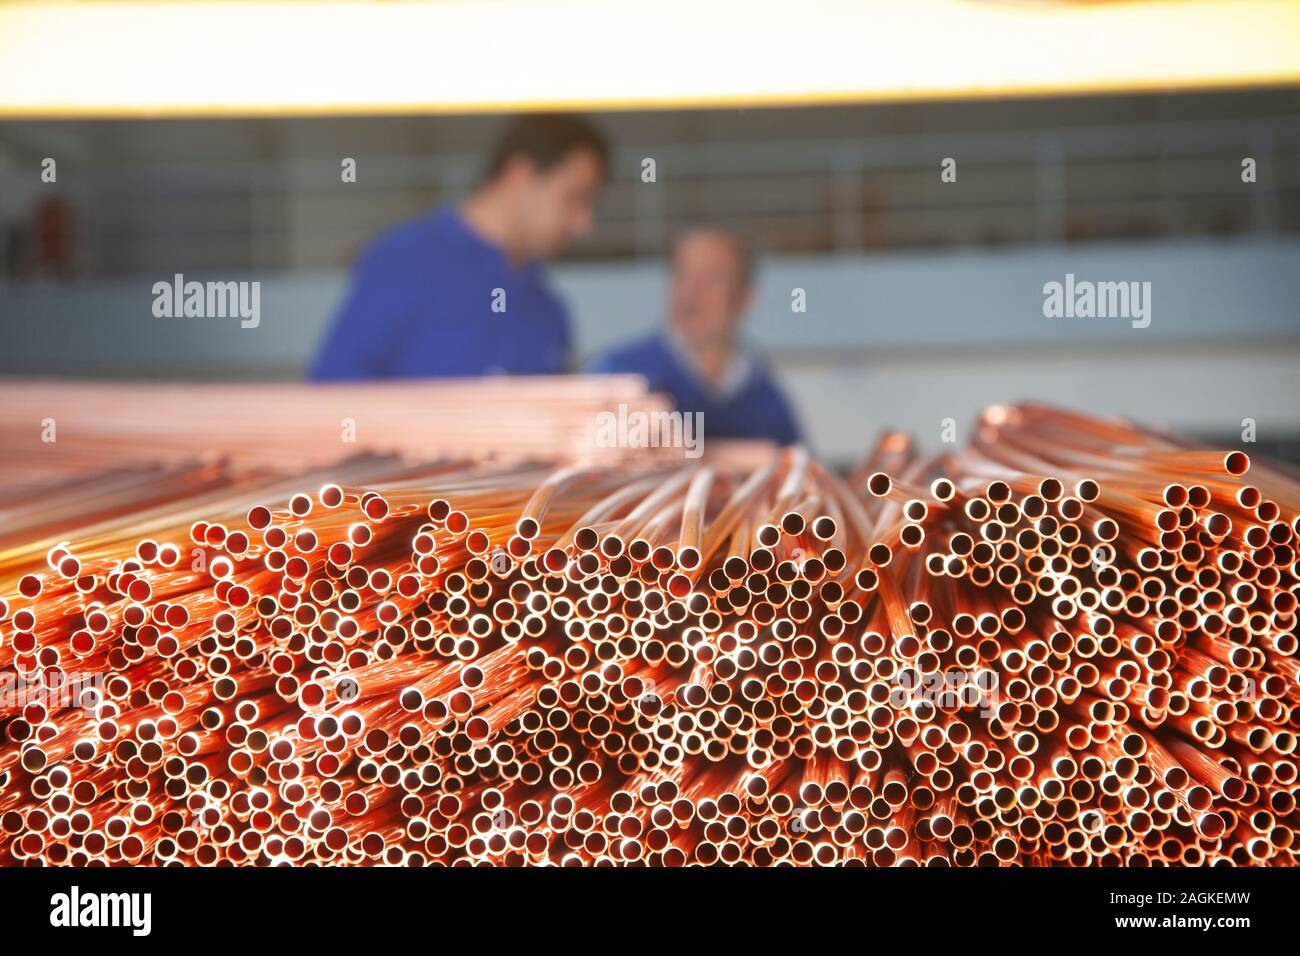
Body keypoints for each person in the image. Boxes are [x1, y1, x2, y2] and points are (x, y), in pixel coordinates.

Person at [310, 114, 608, 380]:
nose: (583, 224)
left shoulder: (548, 310)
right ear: (520, 175)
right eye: (574, 198)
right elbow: (332, 397)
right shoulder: (404, 263)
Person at [588, 228, 801, 445]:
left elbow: (798, 467)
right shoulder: (619, 374)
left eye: (712, 278)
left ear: (746, 298)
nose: (692, 292)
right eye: (683, 275)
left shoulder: (767, 398)